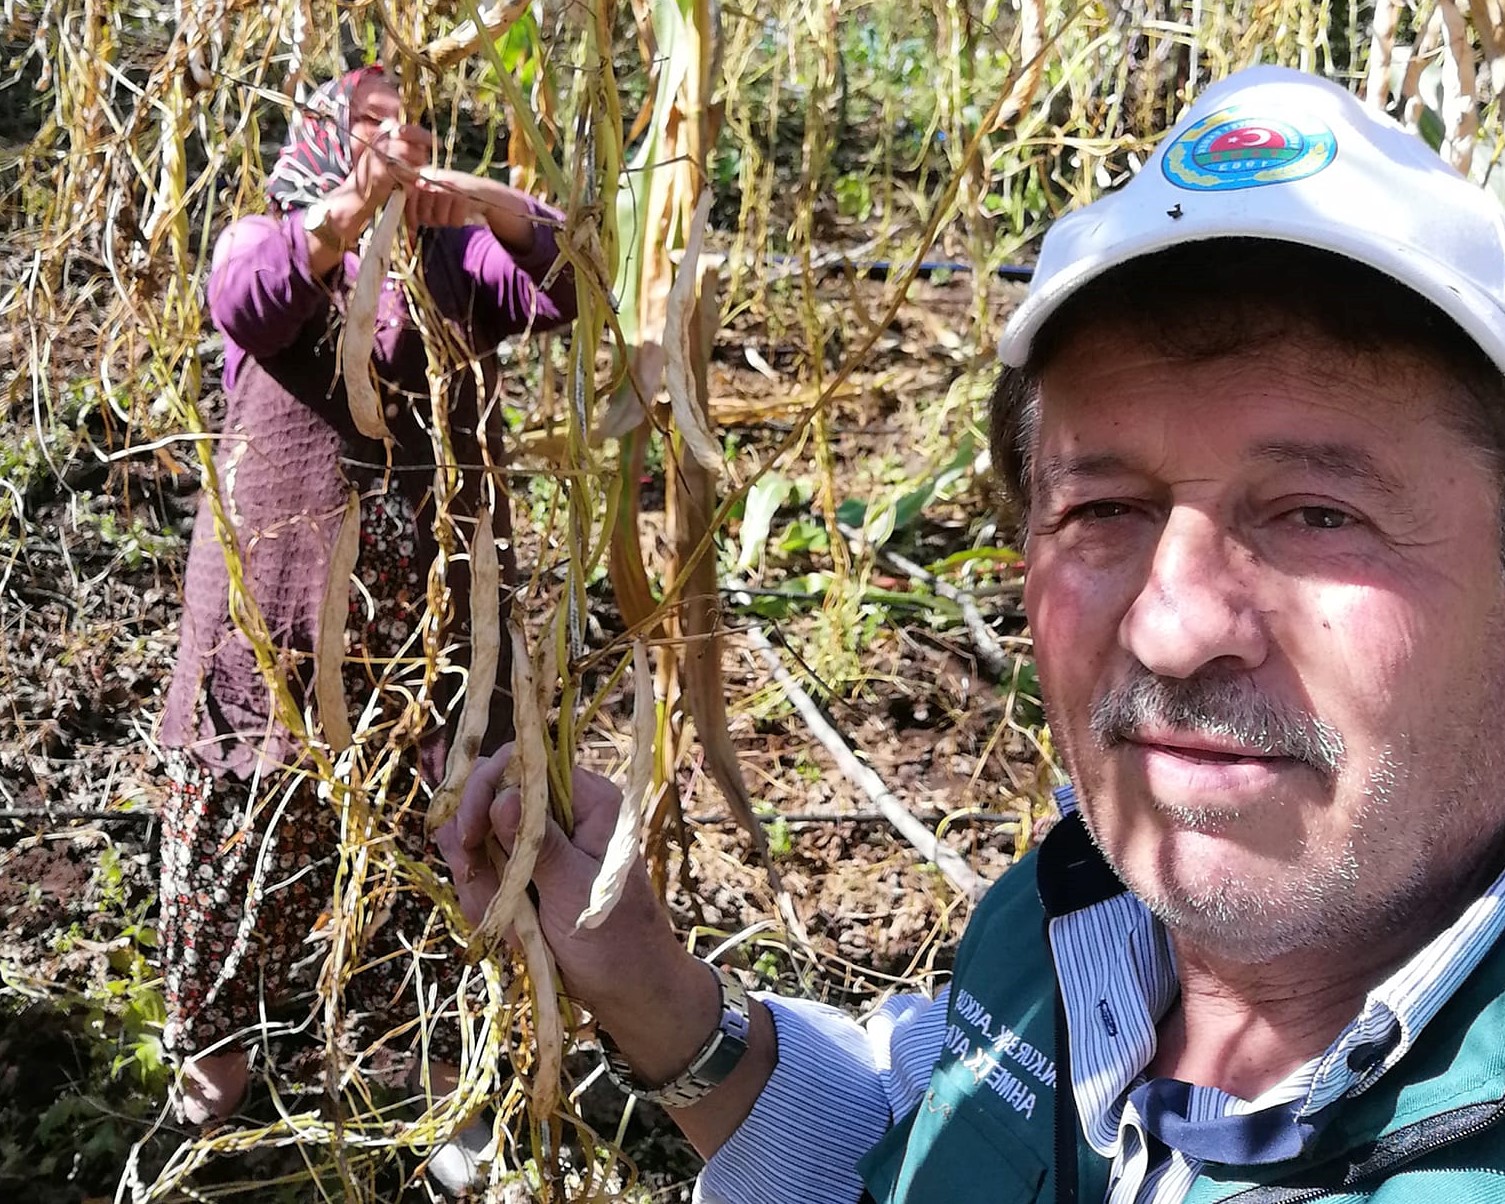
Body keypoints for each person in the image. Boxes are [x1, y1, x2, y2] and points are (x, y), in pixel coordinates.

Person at [437, 65, 1505, 1202]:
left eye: (1314, 515)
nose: (1173, 627)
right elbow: (929, 1132)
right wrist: (645, 981)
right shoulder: (1065, 921)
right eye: (1103, 510)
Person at [157, 63, 576, 1134]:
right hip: (281, 636)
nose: (391, 142)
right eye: (365, 125)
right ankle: (216, 1070)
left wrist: (484, 202)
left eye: (407, 126)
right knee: (244, 848)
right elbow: (247, 299)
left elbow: (565, 283)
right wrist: (349, 209)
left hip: (436, 640)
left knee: (436, 860)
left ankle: (445, 1088)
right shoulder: (269, 234)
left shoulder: (456, 253)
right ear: (318, 139)